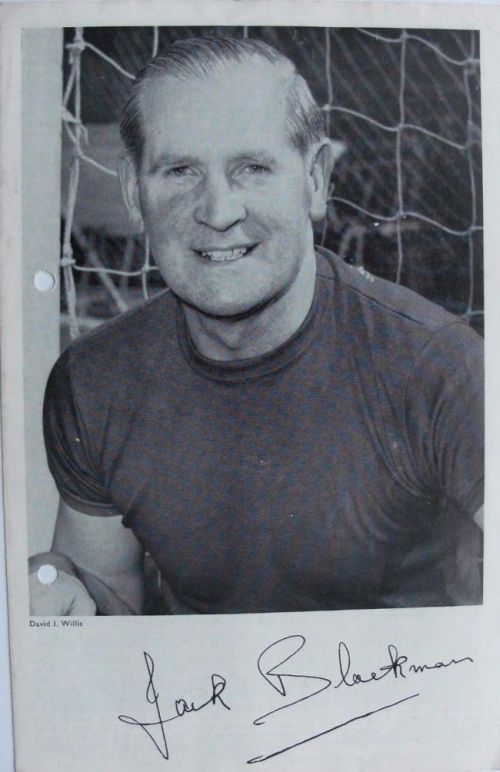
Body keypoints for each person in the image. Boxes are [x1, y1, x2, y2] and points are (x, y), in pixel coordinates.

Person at [29, 35, 484, 616]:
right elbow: (109, 601)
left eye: (252, 168)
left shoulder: (442, 368)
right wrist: (59, 593)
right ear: (132, 192)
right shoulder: (93, 382)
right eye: (180, 171)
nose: (219, 211)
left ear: (314, 180)